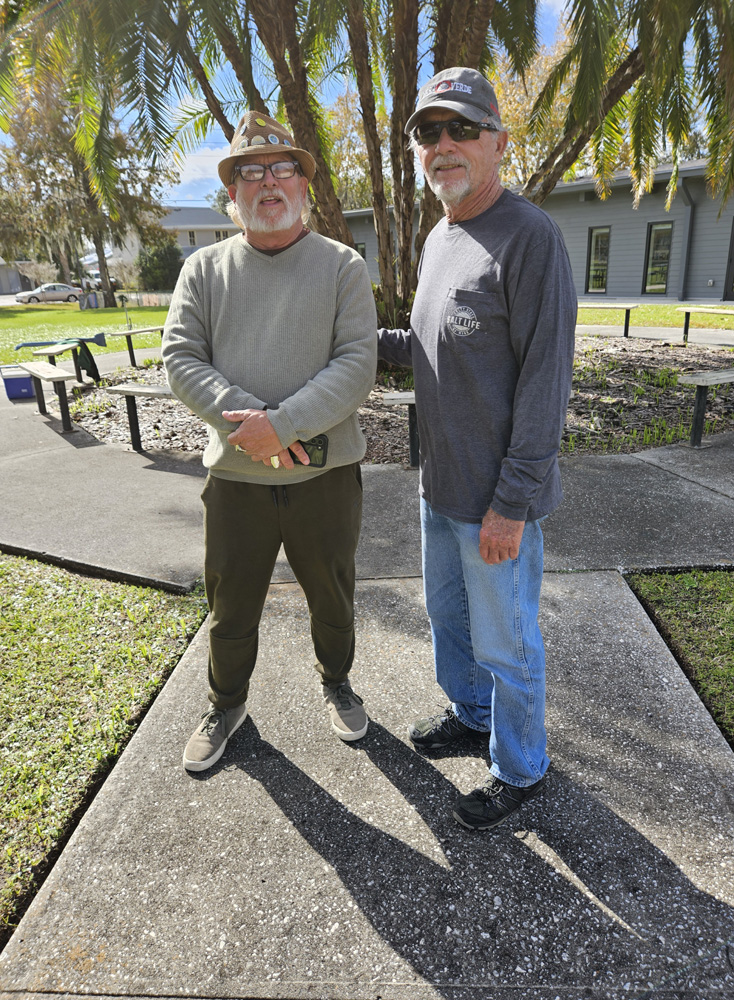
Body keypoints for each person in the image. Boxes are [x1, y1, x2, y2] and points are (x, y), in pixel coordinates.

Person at [379, 68, 577, 830]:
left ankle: (521, 767)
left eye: (462, 128)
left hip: (497, 499)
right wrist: (359, 342)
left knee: (507, 641)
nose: (444, 144)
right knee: (449, 619)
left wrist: (511, 504)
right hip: (441, 486)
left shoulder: (530, 238)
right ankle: (471, 714)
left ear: (499, 141)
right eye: (429, 132)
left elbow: (544, 382)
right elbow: (430, 344)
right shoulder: (441, 237)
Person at [162, 112, 377, 772]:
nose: (268, 183)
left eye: (283, 169)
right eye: (251, 173)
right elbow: (180, 358)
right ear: (232, 193)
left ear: (304, 185)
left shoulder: (342, 266)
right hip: (236, 483)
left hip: (324, 479)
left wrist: (280, 428)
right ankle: (226, 704)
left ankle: (337, 682)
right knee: (229, 608)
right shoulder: (203, 269)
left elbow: (356, 364)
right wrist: (254, 426)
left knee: (333, 598)